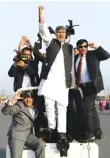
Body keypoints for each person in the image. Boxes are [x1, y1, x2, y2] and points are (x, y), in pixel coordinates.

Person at [37, 6, 74, 143]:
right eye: (59, 32)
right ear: (56, 34)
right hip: (50, 81)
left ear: (66, 34)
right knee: (49, 106)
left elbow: (72, 66)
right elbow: (43, 29)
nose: (61, 34)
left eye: (63, 32)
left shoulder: (70, 48)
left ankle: (62, 133)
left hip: (63, 81)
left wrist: (73, 82)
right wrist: (40, 13)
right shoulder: (50, 42)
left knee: (62, 107)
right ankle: (51, 129)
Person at [74, 39, 110, 142]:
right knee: (92, 109)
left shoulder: (93, 54)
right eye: (81, 47)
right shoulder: (76, 58)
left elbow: (107, 56)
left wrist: (97, 47)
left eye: (85, 46)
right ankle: (98, 132)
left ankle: (89, 133)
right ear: (77, 48)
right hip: (81, 86)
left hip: (92, 85)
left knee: (87, 109)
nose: (83, 48)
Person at [2, 90, 45, 158]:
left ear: (33, 99)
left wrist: (40, 135)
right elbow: (5, 112)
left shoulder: (34, 108)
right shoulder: (19, 106)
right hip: (17, 136)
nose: (28, 100)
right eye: (26, 98)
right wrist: (13, 100)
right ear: (23, 99)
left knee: (40, 144)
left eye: (30, 98)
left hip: (27, 136)